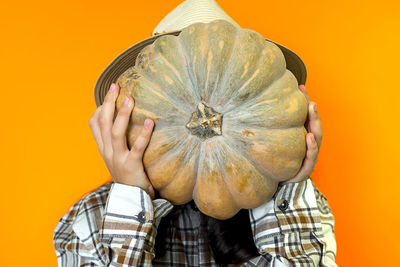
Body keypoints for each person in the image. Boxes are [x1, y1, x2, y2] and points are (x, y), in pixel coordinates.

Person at [53, 82, 337, 266]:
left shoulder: (299, 206)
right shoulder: (89, 219)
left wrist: (285, 175)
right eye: (173, 94)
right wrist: (133, 196)